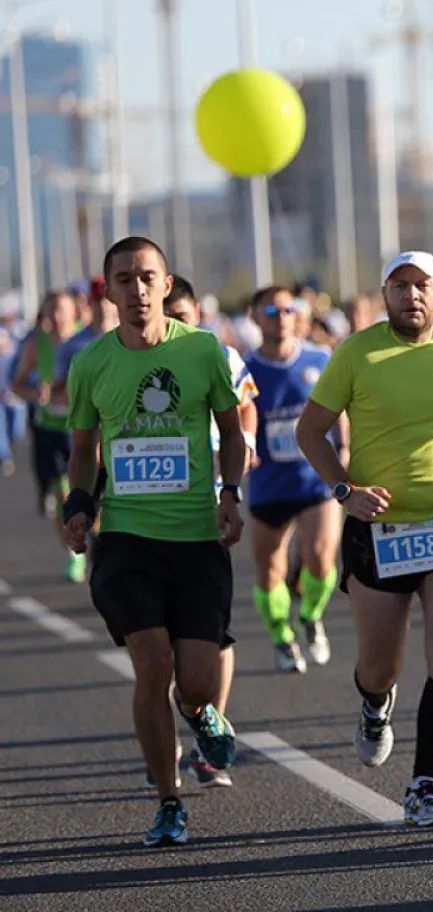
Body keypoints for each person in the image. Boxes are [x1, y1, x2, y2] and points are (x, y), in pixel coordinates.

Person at [295, 250, 433, 828]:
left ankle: (424, 783)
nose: (411, 295)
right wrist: (345, 491)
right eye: (399, 286)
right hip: (378, 529)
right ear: (385, 295)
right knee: (381, 664)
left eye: (422, 286)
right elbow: (311, 430)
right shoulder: (357, 352)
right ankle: (375, 706)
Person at [61, 236, 245, 846]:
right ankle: (169, 800)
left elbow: (232, 432)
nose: (136, 290)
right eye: (124, 280)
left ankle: (200, 711)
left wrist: (230, 493)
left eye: (147, 278)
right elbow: (84, 451)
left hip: (195, 539)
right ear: (108, 290)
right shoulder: (91, 364)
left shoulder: (203, 351)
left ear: (167, 285)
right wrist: (78, 505)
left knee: (193, 680)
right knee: (152, 666)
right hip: (126, 542)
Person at [163, 277, 258, 789]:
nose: (176, 322)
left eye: (182, 312)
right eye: (167, 313)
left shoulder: (218, 355)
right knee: (159, 637)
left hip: (212, 499)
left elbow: (246, 405)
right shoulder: (138, 358)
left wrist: (245, 449)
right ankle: (170, 731)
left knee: (211, 628)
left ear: (197, 311)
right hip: (151, 512)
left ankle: (209, 729)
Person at [243, 285, 343, 675]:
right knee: (270, 570)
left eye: (289, 309)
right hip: (268, 486)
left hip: (315, 482)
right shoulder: (245, 369)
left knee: (320, 558)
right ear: (254, 317)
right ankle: (281, 637)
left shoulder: (320, 358)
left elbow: (339, 409)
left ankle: (312, 617)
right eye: (270, 311)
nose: (280, 317)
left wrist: (345, 450)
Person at [10, 290, 84, 581]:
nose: (57, 316)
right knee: (61, 492)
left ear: (74, 312)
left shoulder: (85, 340)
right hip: (49, 428)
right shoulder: (35, 344)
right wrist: (36, 394)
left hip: (82, 428)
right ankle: (72, 552)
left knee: (88, 493)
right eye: (51, 310)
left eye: (63, 309)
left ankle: (93, 538)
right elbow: (16, 385)